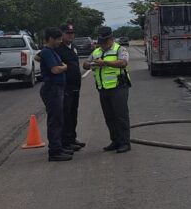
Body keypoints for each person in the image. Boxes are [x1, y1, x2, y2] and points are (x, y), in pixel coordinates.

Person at [84, 26, 132, 153]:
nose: (103, 44)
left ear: (111, 39)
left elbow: (123, 63)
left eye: (105, 41)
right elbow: (85, 65)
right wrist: (91, 64)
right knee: (109, 117)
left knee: (120, 116)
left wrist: (105, 63)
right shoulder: (96, 52)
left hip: (118, 87)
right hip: (103, 88)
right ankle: (115, 141)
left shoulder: (119, 49)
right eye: (101, 42)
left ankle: (125, 143)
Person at [39, 27, 72, 162]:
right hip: (52, 89)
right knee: (55, 121)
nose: (60, 41)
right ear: (51, 39)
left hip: (57, 89)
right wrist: (64, 67)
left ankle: (59, 146)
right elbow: (55, 69)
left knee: (60, 119)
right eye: (58, 39)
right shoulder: (47, 52)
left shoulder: (52, 52)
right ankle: (54, 152)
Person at [56, 23, 85, 152]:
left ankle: (72, 138)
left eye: (72, 33)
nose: (70, 35)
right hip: (65, 87)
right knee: (66, 115)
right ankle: (65, 141)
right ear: (61, 34)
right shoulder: (57, 47)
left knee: (73, 113)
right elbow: (39, 56)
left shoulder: (73, 47)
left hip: (75, 86)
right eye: (68, 33)